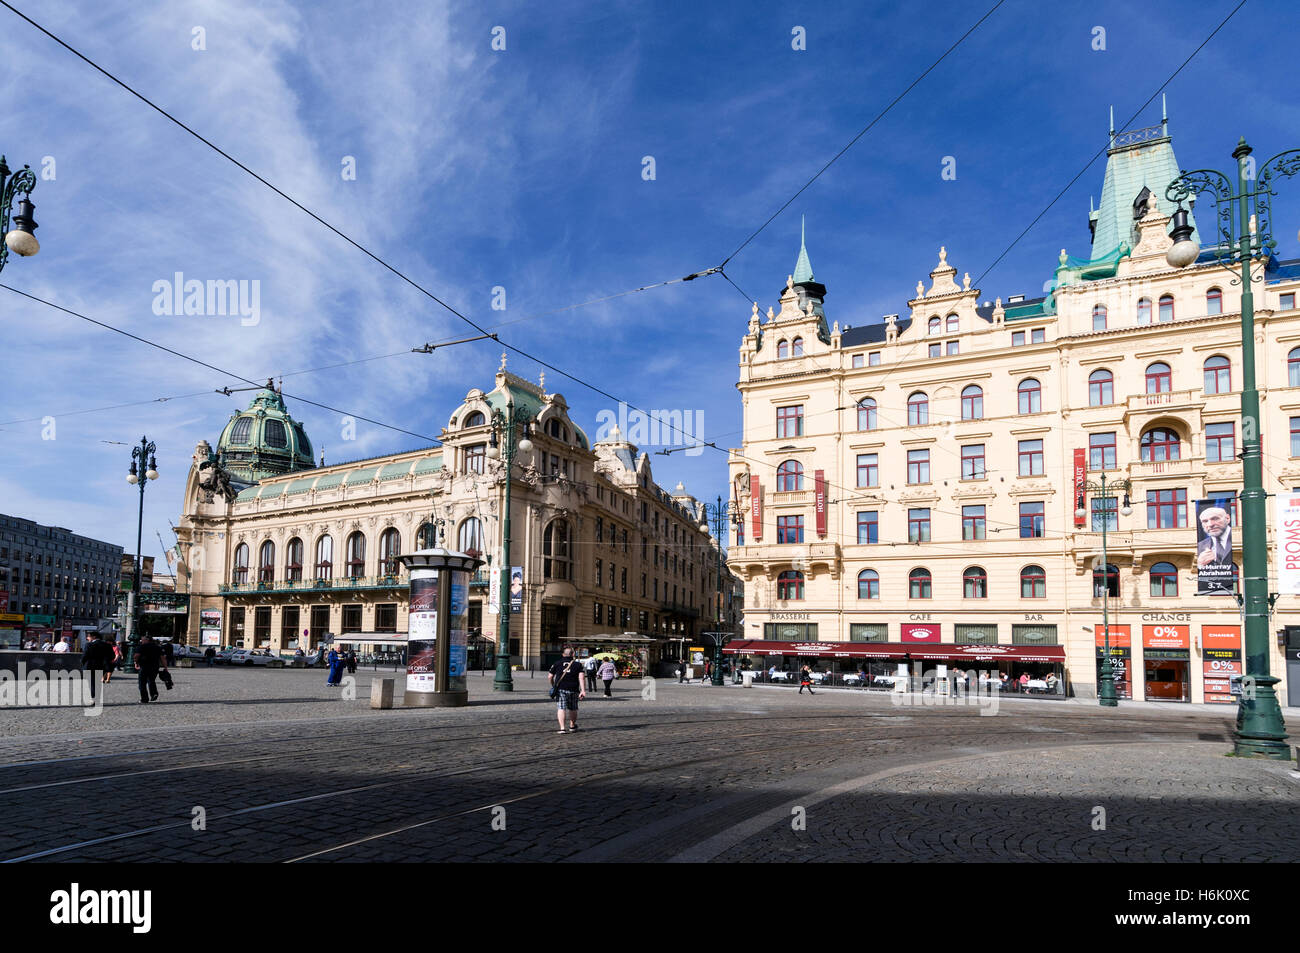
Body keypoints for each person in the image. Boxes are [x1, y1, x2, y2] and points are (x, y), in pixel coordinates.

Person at [548, 647, 585, 733]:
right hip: (574, 689)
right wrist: (583, 690)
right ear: (573, 655)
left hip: (560, 689)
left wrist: (553, 685)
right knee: (573, 708)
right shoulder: (578, 665)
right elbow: (581, 677)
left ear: (563, 654)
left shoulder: (557, 663)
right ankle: (572, 726)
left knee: (561, 708)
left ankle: (562, 728)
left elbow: (550, 676)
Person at [81, 632, 114, 700]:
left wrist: (83, 663)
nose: (87, 638)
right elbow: (112, 656)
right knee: (97, 682)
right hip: (102, 666)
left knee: (91, 682)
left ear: (94, 637)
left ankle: (93, 697)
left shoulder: (89, 645)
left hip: (90, 666)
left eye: (88, 637)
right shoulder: (107, 645)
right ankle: (96, 696)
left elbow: (85, 656)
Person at [135, 634, 166, 704]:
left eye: (142, 640)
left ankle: (144, 699)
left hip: (144, 666)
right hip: (154, 667)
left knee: (142, 683)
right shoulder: (157, 647)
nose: (141, 641)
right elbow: (162, 658)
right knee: (151, 680)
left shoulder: (141, 647)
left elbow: (136, 656)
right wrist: (165, 667)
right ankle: (154, 694)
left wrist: (136, 662)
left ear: (147, 640)